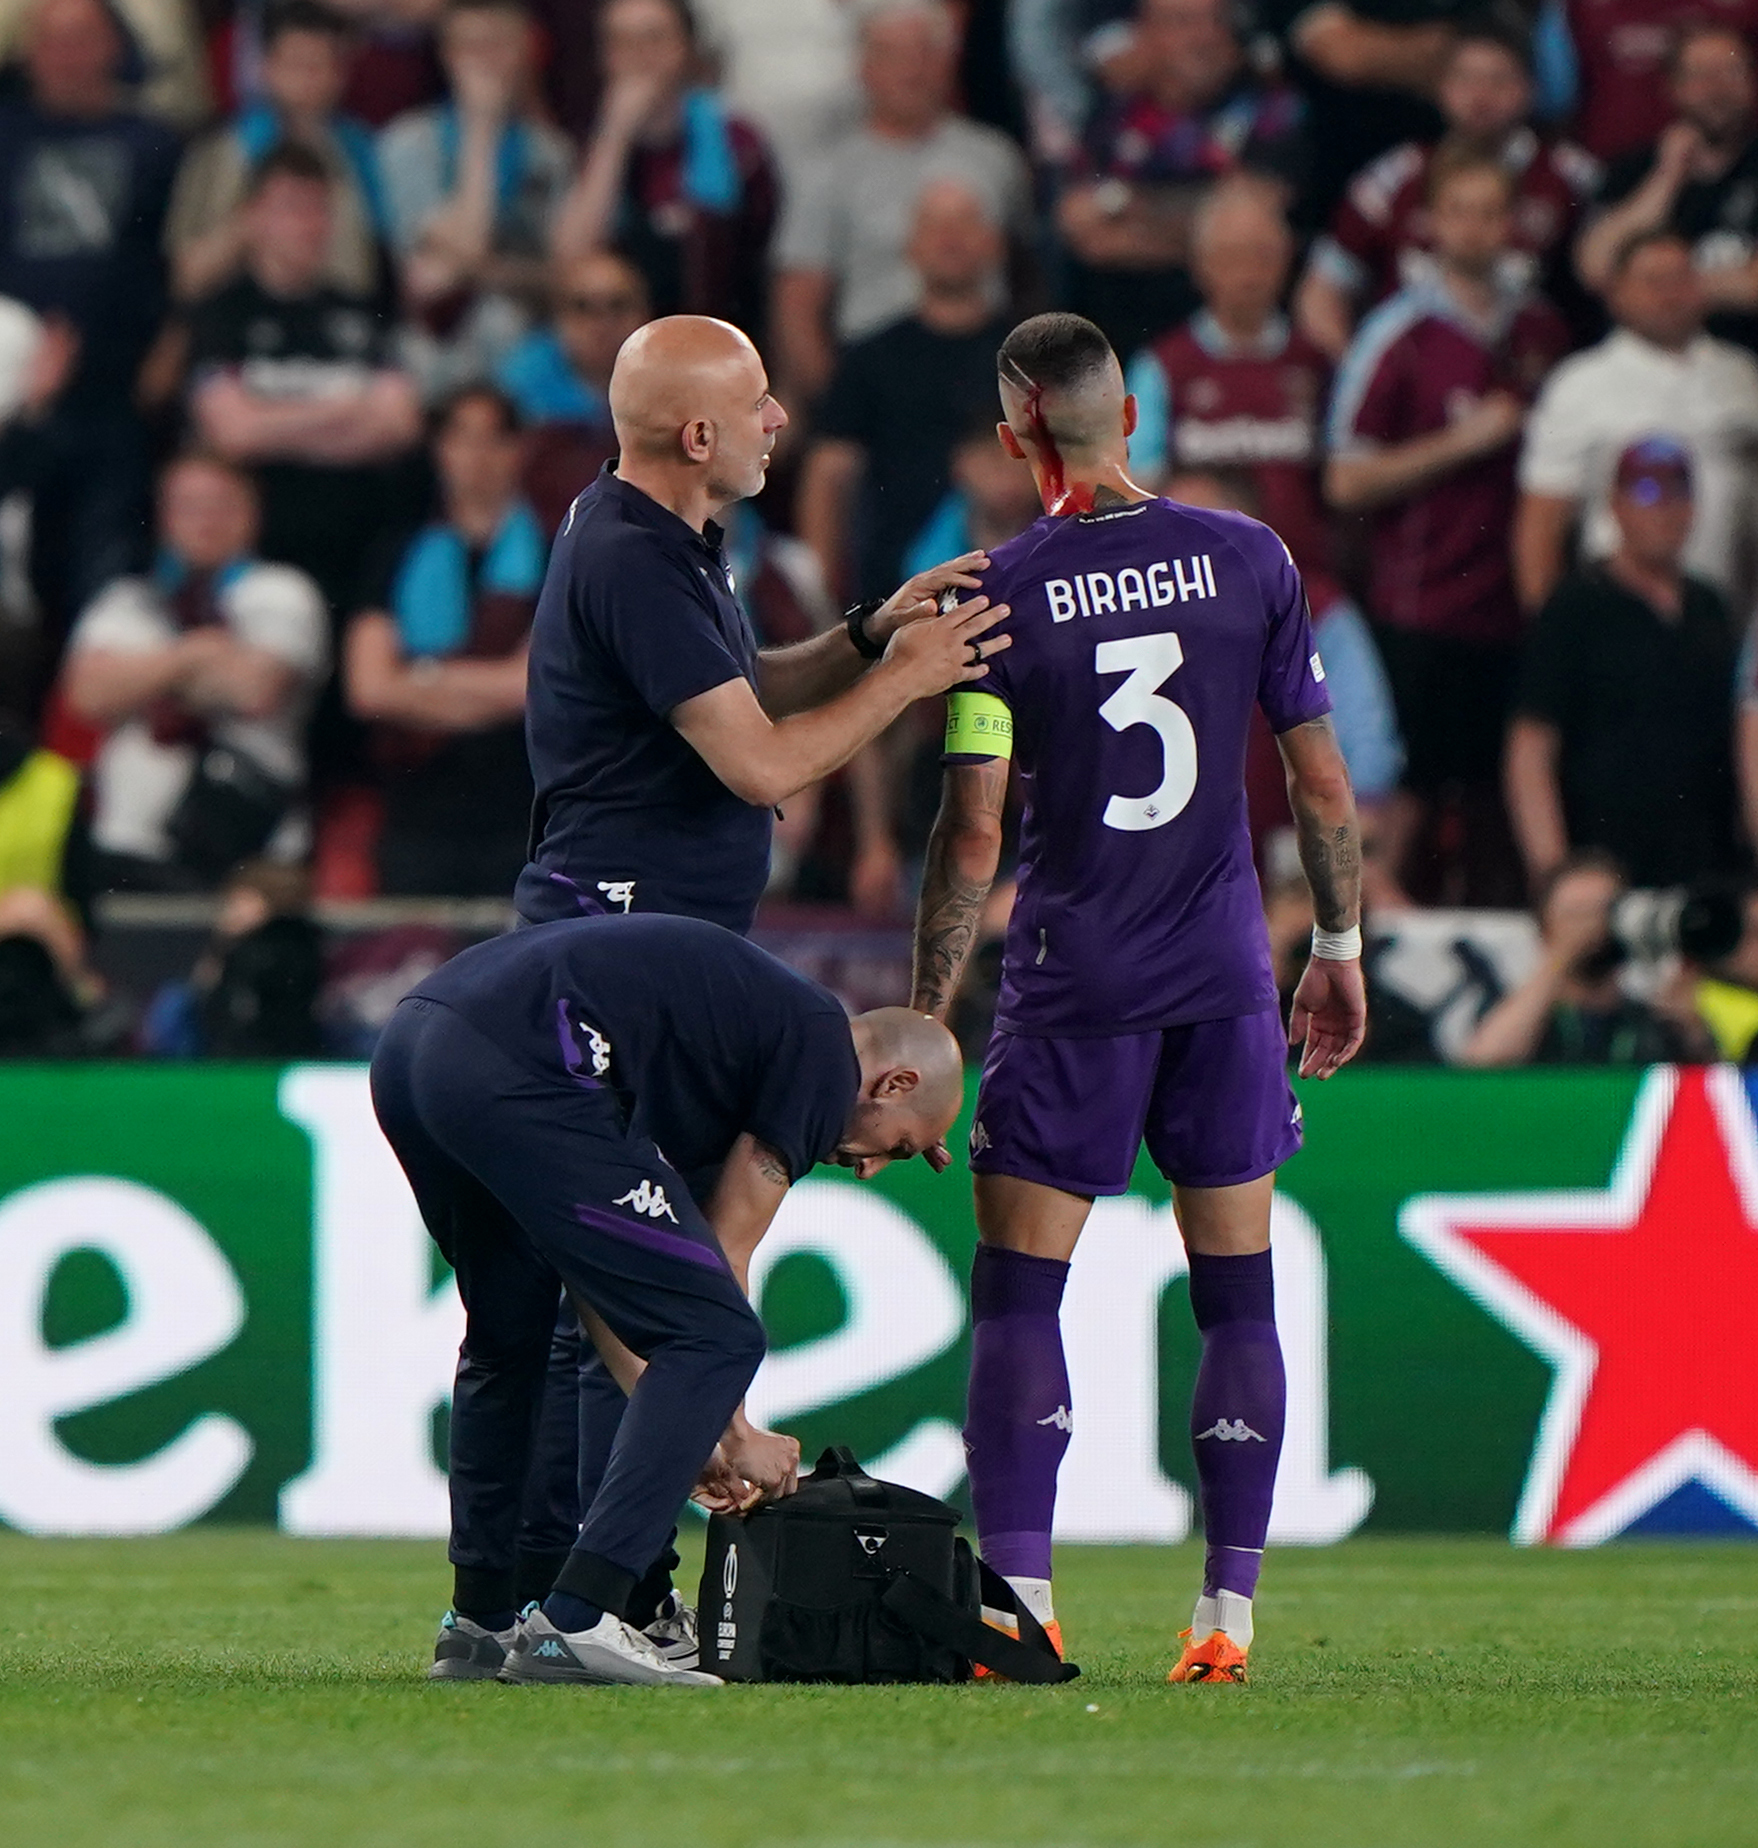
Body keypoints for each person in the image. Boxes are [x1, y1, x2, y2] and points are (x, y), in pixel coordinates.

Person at [909, 312, 1366, 1685]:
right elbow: (1320, 788)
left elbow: (973, 833)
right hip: (1226, 981)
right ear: (1129, 417)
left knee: (1016, 1302)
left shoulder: (995, 596)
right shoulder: (1247, 559)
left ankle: (1022, 1606)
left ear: (1013, 439)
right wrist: (1336, 944)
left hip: (1072, 985)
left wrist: (932, 1015)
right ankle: (1224, 1617)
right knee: (1235, 1297)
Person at [370, 910, 967, 1685]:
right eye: (899, 1146)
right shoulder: (823, 1055)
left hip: (418, 1048)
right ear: (895, 1083)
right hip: (524, 1062)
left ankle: (481, 1625)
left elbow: (608, 1280)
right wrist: (736, 1434)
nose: (870, 1168)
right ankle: (579, 1618)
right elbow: (722, 1269)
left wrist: (693, 1428)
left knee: (507, 1338)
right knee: (722, 1337)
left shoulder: (727, 1053)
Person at [517, 311, 1014, 934]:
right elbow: (762, 769)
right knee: (902, 1039)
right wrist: (907, 677)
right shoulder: (631, 561)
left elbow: (737, 690)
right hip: (621, 934)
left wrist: (870, 635)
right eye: (756, 404)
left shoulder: (657, 527)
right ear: (698, 440)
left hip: (661, 928)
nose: (779, 417)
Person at [1327, 145, 1570, 904]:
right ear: (1430, 223)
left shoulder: (1540, 330)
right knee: (1411, 798)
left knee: (1505, 797)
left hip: (1518, 608)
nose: (1477, 228)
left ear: (1513, 223)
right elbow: (1344, 477)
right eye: (1459, 211)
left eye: (1492, 212)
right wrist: (1462, 443)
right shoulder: (1397, 334)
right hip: (1423, 607)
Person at [59, 451, 328, 890]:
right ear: (164, 515)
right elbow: (87, 694)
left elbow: (252, 689)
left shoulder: (283, 592)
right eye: (188, 506)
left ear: (252, 511)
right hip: (131, 840)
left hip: (252, 843)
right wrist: (196, 654)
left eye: (221, 504)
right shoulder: (127, 599)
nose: (206, 520)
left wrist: (142, 675)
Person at [0, 0, 182, 636]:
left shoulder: (156, 143)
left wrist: (173, 344)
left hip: (118, 393)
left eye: (82, 40)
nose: (66, 58)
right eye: (51, 42)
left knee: (102, 586)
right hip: (15, 395)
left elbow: (177, 261)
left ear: (114, 47)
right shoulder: (6, 133)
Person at [184, 143, 425, 621]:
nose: (308, 225)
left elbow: (400, 423)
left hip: (360, 541)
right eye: (291, 208)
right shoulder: (220, 315)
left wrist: (276, 423)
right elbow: (234, 433)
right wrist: (346, 410)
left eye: (319, 209)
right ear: (252, 217)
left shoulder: (359, 311)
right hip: (261, 547)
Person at [1505, 436, 1739, 893]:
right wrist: (1553, 872)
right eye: (1648, 493)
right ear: (1615, 504)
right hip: (1602, 869)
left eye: (1679, 492)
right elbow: (1531, 745)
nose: (1666, 509)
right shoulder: (1576, 606)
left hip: (1704, 873)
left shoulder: (1710, 608)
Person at [770, 0, 1033, 404]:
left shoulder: (996, 158)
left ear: (950, 60)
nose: (911, 70)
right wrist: (843, 412)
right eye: (891, 54)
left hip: (987, 384)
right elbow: (798, 309)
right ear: (862, 66)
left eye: (925, 52)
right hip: (876, 388)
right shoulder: (828, 173)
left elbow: (1025, 277)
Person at [1295, 24, 1598, 361]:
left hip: (1527, 383)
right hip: (1412, 389)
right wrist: (1361, 369)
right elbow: (1322, 288)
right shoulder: (1396, 176)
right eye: (1465, 80)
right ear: (1442, 88)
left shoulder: (1571, 177)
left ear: (1529, 89)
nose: (1480, 97)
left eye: (1498, 81)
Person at [344, 384, 539, 896]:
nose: (478, 457)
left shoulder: (560, 553)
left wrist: (423, 679)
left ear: (518, 450)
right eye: (463, 438)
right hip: (417, 809)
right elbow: (369, 690)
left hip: (523, 812)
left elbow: (536, 686)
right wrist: (491, 692)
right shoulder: (395, 552)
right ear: (440, 449)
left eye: (494, 439)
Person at [1516, 229, 1758, 616]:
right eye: (1653, 281)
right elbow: (1541, 525)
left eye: (1681, 279)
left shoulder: (1743, 377)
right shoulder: (1580, 383)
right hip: (1616, 625)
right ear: (1617, 293)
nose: (1670, 294)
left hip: (1724, 623)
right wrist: (1554, 638)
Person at [799, 178, 1013, 606]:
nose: (950, 238)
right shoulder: (869, 358)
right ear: (910, 248)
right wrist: (817, 590)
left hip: (1019, 580)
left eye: (965, 223)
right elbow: (830, 472)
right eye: (935, 226)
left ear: (995, 243)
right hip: (893, 593)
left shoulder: (1032, 351)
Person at [1056, 0, 1307, 358]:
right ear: (1144, 35)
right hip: (1123, 334)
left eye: (1215, 21)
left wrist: (1128, 209)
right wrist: (1208, 218)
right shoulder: (1113, 114)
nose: (1203, 37)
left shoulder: (1270, 106)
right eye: (1183, 23)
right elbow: (1084, 228)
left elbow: (1252, 225)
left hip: (1241, 342)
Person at [376, 0, 573, 395]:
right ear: (447, 56)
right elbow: (445, 269)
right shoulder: (407, 143)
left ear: (524, 50)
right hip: (437, 342)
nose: (486, 62)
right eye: (472, 48)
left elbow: (566, 275)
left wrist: (477, 268)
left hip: (530, 343)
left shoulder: (549, 152)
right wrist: (480, 127)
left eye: (499, 45)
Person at [549, 0, 780, 335]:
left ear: (686, 48)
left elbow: (767, 262)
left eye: (653, 38)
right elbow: (571, 263)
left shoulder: (737, 141)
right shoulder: (593, 146)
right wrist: (615, 134)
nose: (639, 56)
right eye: (623, 42)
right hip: (625, 342)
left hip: (723, 332)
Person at [166, 0, 388, 305]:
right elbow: (186, 276)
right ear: (266, 68)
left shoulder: (358, 149)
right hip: (235, 319)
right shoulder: (226, 150)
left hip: (336, 321)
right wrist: (258, 221)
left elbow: (371, 270)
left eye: (324, 65)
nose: (312, 80)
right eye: (298, 64)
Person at [1576, 25, 1758, 353]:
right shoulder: (1634, 168)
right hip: (1644, 370)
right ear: (1673, 87)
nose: (1716, 88)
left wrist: (1656, 287)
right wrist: (1667, 176)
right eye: (1700, 74)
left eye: (1731, 71)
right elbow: (1596, 267)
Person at [1458, 852, 1697, 1067]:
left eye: (1606, 911)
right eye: (1575, 913)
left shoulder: (1648, 1022)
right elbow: (1482, 1065)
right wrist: (1561, 956)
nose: (1592, 925)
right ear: (1544, 929)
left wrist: (1691, 1029)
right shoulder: (1520, 1013)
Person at [498, 251, 650, 535]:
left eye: (617, 306)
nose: (601, 322)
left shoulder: (675, 385)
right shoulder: (517, 387)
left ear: (644, 314)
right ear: (559, 318)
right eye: (583, 307)